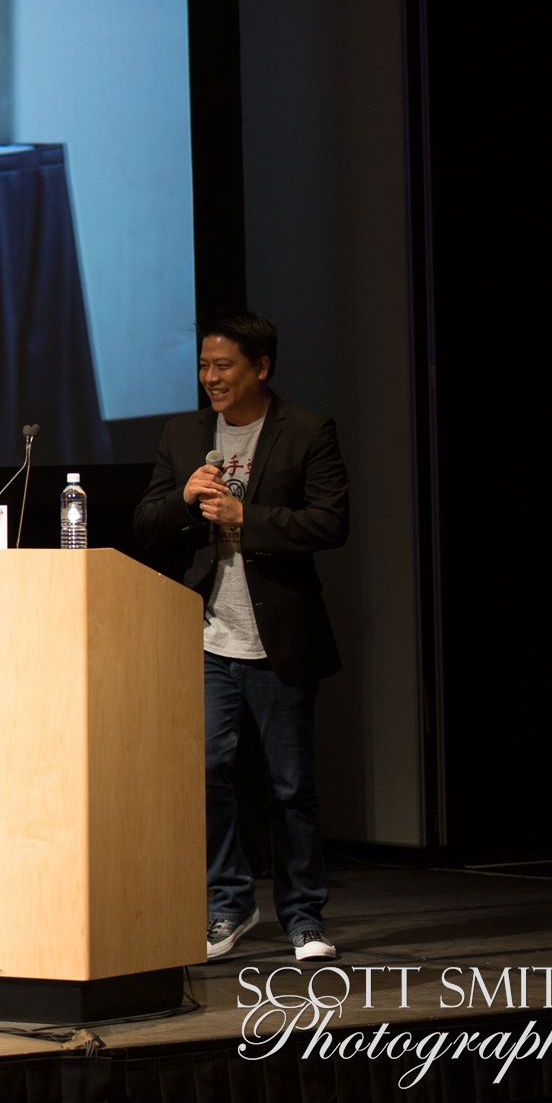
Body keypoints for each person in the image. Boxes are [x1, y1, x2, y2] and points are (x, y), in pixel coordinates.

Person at [132, 311, 349, 963]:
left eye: (223, 366)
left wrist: (244, 516)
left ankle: (304, 918)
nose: (211, 378)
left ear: (261, 367)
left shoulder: (307, 432)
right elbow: (147, 523)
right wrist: (183, 501)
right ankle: (230, 901)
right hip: (207, 639)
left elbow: (330, 522)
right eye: (204, 366)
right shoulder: (185, 434)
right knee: (203, 774)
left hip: (278, 638)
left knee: (289, 786)